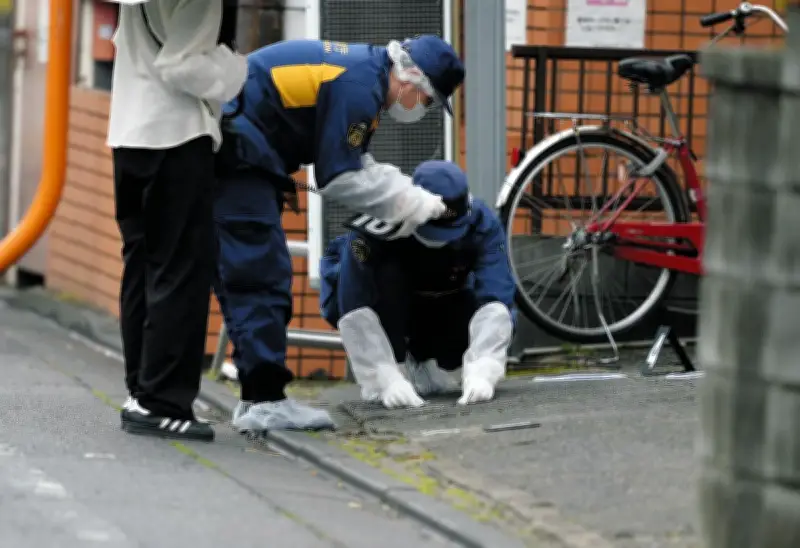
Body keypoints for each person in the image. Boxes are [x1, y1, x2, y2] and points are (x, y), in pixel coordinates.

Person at [214, 35, 465, 432]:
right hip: (241, 149)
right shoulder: (360, 87)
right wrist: (413, 203)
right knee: (262, 277)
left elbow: (353, 162)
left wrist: (406, 195)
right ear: (411, 80)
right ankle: (264, 401)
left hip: (240, 142)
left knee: (248, 277)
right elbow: (340, 177)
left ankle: (254, 398)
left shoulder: (364, 74)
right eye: (429, 100)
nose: (425, 108)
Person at [108, 0, 247, 441]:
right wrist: (234, 69)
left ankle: (141, 390)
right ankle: (163, 400)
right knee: (180, 271)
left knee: (143, 266)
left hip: (129, 136)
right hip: (175, 137)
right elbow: (181, 65)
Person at [319, 160, 516, 408]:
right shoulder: (376, 224)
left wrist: (485, 369)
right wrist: (384, 376)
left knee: (474, 317)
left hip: (440, 297)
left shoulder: (482, 223)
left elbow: (497, 295)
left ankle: (427, 361)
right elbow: (352, 300)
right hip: (391, 304)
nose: (440, 241)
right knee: (387, 275)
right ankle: (397, 364)